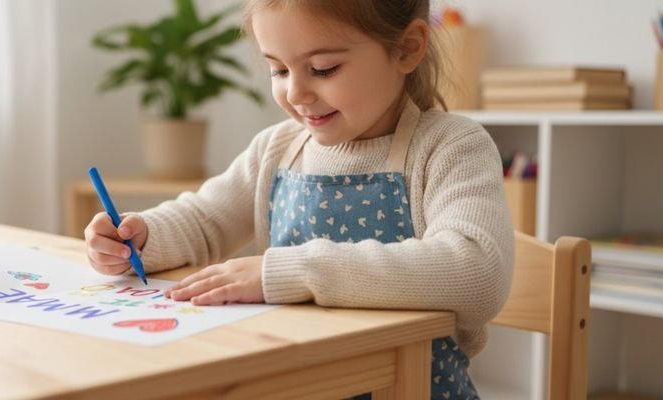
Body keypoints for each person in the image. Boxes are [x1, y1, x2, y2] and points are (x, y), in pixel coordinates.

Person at [85, 1, 513, 398]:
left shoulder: (451, 147)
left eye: (323, 69)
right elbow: (204, 220)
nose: (295, 93)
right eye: (278, 70)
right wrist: (142, 236)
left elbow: (476, 271)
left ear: (407, 48)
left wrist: (288, 272)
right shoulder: (277, 148)